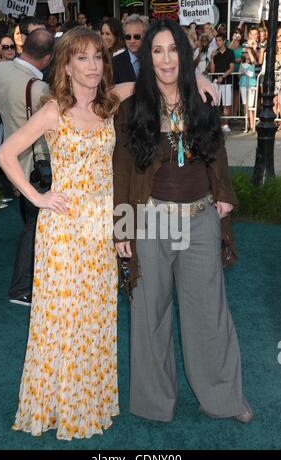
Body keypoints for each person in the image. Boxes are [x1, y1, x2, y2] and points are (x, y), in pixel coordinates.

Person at [0, 23, 218, 440]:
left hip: (102, 230)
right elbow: (6, 153)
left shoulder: (109, 103)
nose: (93, 65)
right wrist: (38, 197)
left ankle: (91, 399)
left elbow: (156, 80)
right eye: (82, 57)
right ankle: (60, 403)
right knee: (64, 320)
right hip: (64, 233)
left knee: (97, 319)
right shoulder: (52, 110)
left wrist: (199, 76)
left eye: (98, 56)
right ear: (65, 64)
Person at [113, 19, 253, 425]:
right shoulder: (131, 107)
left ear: (184, 53)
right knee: (149, 314)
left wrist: (224, 194)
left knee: (209, 313)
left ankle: (225, 399)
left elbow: (218, 153)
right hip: (151, 220)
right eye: (156, 51)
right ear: (147, 57)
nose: (166, 59)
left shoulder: (202, 99)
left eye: (172, 49)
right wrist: (123, 228)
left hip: (199, 220)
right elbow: (121, 170)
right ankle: (154, 405)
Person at [0, 29, 54, 306]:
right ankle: (21, 288)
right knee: (34, 226)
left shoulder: (1, 71)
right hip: (33, 165)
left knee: (30, 224)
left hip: (9, 158)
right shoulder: (39, 88)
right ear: (48, 58)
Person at [113, 14, 149, 84]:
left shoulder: (154, 59)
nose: (132, 41)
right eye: (128, 37)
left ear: (146, 36)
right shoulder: (115, 63)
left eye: (137, 36)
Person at [210, 33, 235, 133]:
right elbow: (212, 71)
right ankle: (215, 125)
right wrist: (212, 58)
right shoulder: (215, 53)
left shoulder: (230, 52)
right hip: (215, 82)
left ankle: (225, 124)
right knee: (215, 104)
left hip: (227, 82)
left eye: (219, 40)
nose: (217, 42)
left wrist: (223, 76)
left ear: (224, 41)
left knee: (226, 104)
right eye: (216, 40)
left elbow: (232, 68)